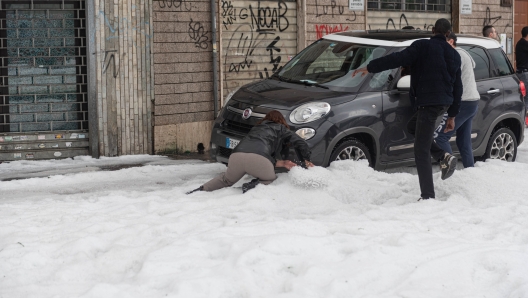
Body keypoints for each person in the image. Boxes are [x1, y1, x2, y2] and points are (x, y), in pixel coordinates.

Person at [353, 18, 462, 201]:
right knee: (413, 128)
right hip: (443, 104)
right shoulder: (454, 55)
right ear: (448, 34)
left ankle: (428, 196)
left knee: (420, 149)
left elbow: (396, 59)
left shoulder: (421, 46)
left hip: (428, 104)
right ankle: (443, 156)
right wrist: (452, 115)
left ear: (433, 30)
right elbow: (458, 88)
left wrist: (370, 67)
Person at [186, 110, 314, 194]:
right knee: (270, 179)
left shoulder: (256, 128)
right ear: (281, 121)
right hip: (258, 159)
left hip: (236, 156)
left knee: (226, 180)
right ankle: (251, 187)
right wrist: (306, 159)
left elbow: (256, 151)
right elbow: (301, 143)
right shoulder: (280, 128)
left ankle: (200, 190)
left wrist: (282, 162)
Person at [435, 33, 480, 168]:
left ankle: (450, 170)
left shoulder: (456, 55)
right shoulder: (464, 54)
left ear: (451, 41)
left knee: (440, 138)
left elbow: (451, 79)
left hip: (463, 102)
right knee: (464, 141)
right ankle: (470, 171)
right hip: (472, 102)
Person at [515, 26, 528, 106]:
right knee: (526, 96)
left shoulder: (520, 43)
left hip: (521, 72)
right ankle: (525, 115)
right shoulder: (524, 43)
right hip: (524, 73)